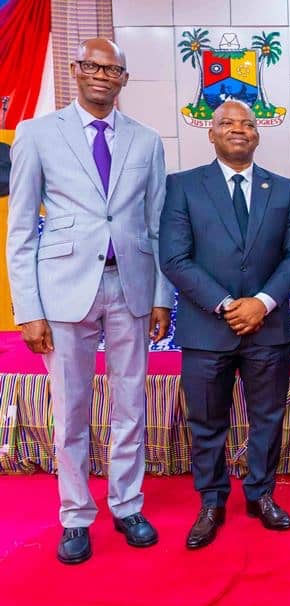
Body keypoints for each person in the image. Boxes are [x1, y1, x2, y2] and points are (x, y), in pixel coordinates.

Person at [6, 38, 173, 564]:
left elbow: (157, 225)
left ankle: (127, 505)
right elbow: (20, 231)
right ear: (77, 71)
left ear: (124, 79)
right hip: (62, 289)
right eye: (94, 67)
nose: (103, 76)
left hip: (131, 285)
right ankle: (75, 514)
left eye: (114, 70)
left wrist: (162, 296)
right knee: (71, 410)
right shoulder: (37, 134)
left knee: (130, 405)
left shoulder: (146, 141)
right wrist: (28, 311)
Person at [160, 100, 290, 549]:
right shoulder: (183, 186)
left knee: (267, 418)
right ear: (211, 133)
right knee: (206, 420)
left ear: (258, 135)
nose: (238, 129)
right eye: (227, 123)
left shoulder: (282, 189)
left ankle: (261, 494)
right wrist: (227, 304)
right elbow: (174, 257)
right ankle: (211, 500)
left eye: (247, 123)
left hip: (268, 328)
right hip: (208, 330)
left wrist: (261, 303)